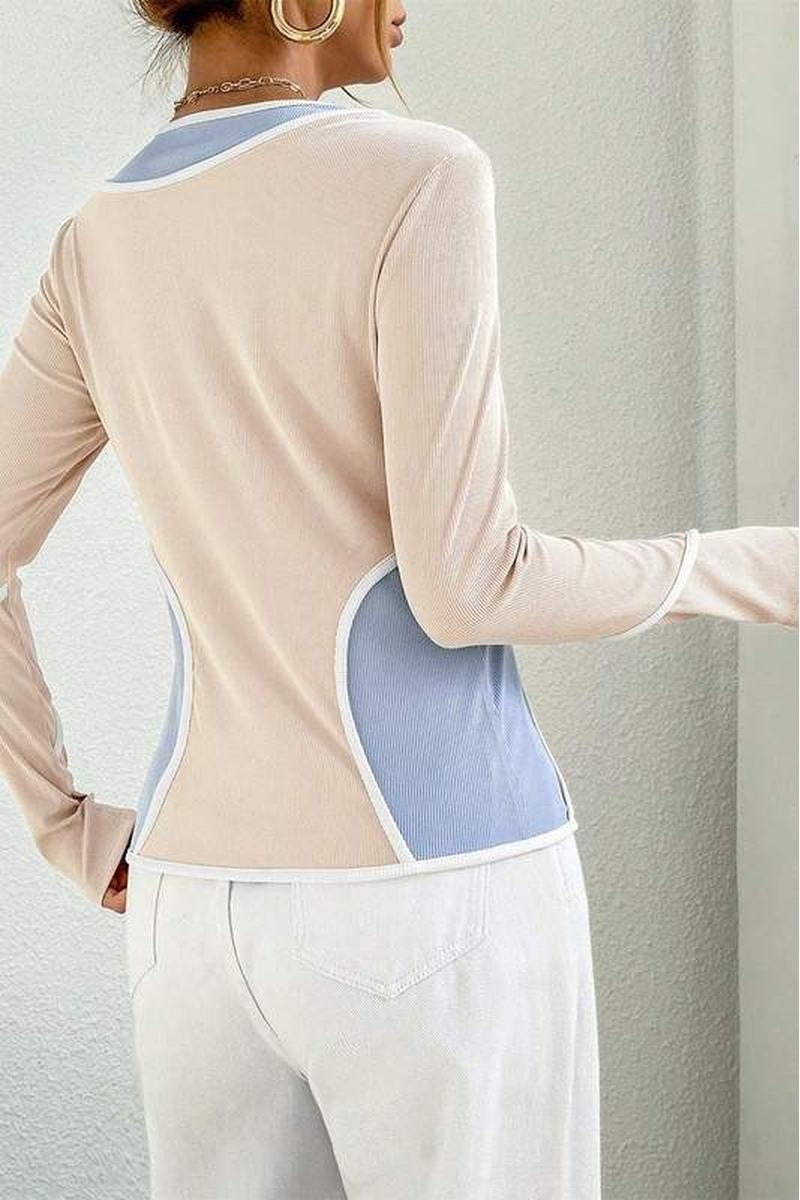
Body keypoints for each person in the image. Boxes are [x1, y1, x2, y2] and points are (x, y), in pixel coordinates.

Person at [0, 1, 796, 1196]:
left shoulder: (96, 237)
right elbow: (470, 585)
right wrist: (761, 566)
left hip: (190, 917)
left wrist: (67, 830)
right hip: (429, 893)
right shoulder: (417, 173)